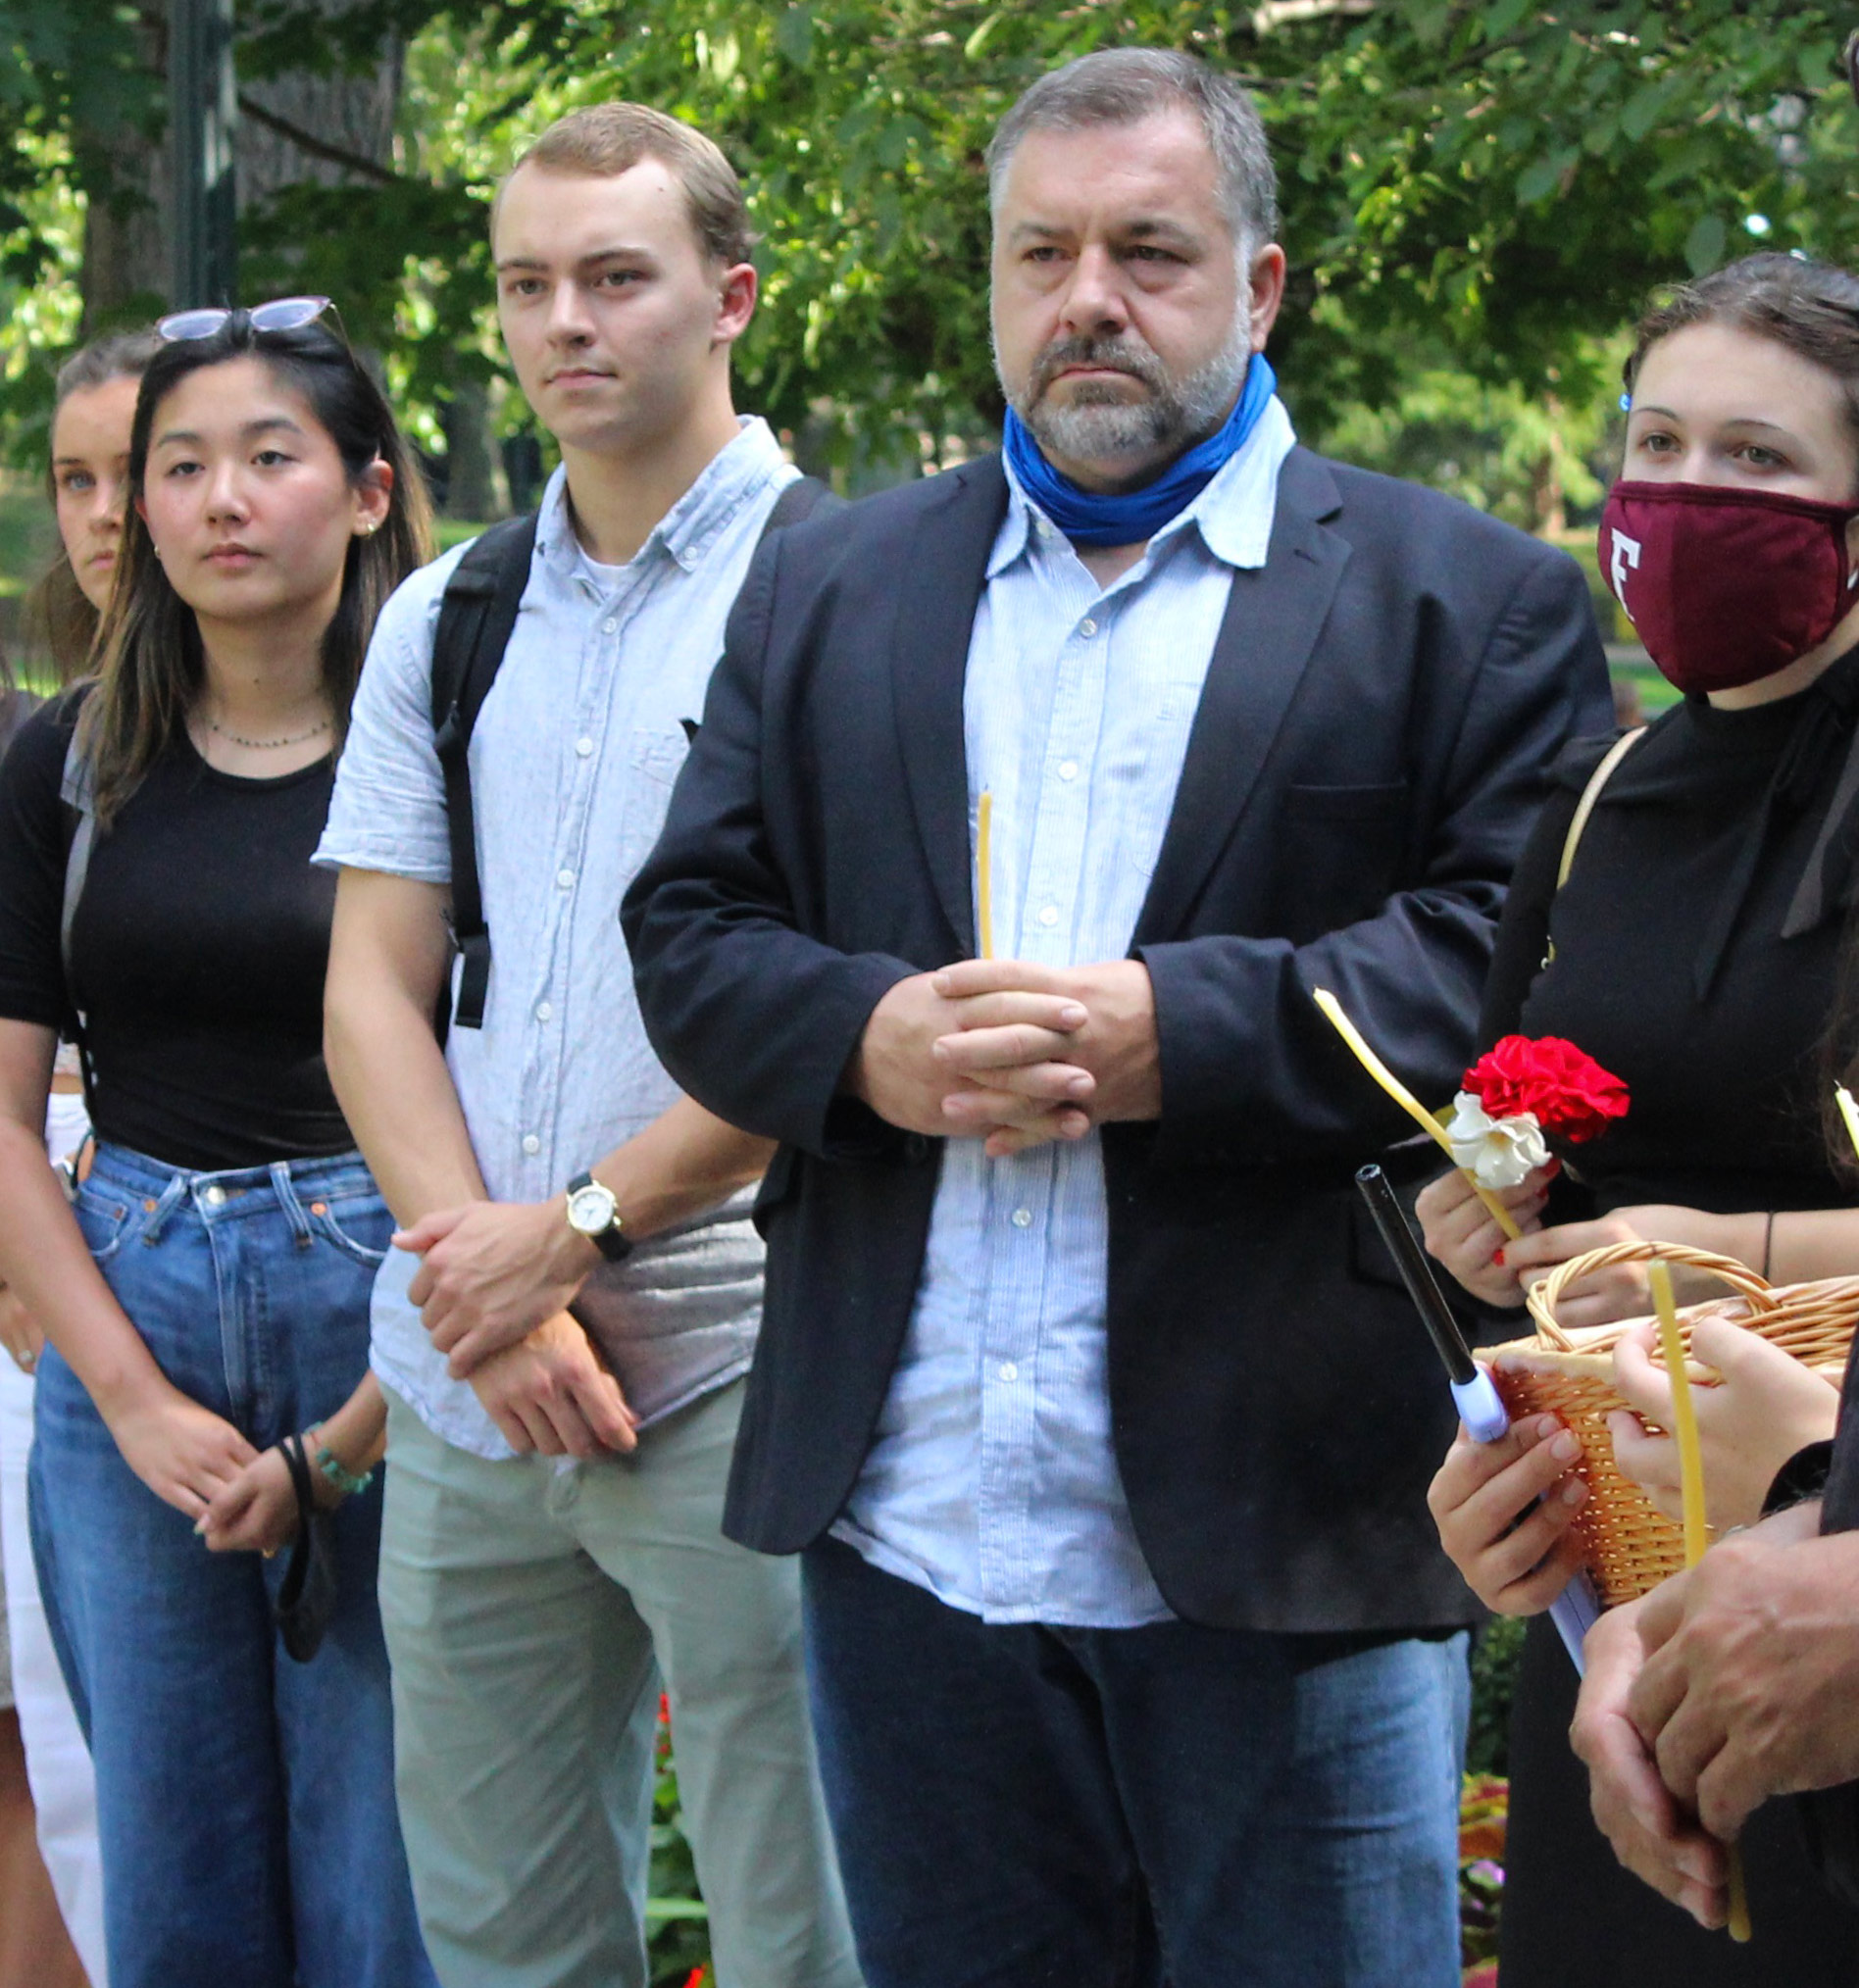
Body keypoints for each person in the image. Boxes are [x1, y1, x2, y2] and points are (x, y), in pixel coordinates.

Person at [623, 46, 1610, 1988]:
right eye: (1041, 252)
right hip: (906, 1532)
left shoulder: (1465, 599)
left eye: (1150, 251)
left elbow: (1520, 973)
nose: (1090, 298)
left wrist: (1186, 1031)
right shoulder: (828, 585)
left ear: (1258, 286)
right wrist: (865, 1045)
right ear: (993, 283)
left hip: (1286, 1529)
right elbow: (692, 929)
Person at [318, 104, 861, 1988]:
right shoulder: (448, 613)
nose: (570, 323)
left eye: (616, 277)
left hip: (746, 1366)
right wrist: (494, 1280)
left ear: (731, 296)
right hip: (472, 1381)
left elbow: (839, 1007)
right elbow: (371, 984)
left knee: (812, 1932)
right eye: (529, 284)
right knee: (504, 1948)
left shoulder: (850, 595)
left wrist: (584, 1235)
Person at [1420, 252, 1859, 1981]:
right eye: (1659, 445)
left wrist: (1722, 1248)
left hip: (1825, 1605)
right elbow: (1499, 1132)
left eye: (1756, 462)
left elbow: (1690, 1225)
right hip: (1621, 1622)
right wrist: (1472, 1268)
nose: (1688, 500)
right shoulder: (1603, 791)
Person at [0, 300, 437, 1988]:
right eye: (176, 467)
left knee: (378, 1865)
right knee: (170, 1865)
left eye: (269, 458)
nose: (214, 502)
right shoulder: (72, 761)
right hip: (135, 1306)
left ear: (371, 490)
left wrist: (367, 1418)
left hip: (386, 1310)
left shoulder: (446, 756)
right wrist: (124, 1397)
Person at [0, 326, 159, 1988]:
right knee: (54, 1751)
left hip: (251, 1291)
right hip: (48, 1290)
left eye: (149, 466)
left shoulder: (370, 719)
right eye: (78, 478)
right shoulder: (45, 750)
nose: (111, 514)